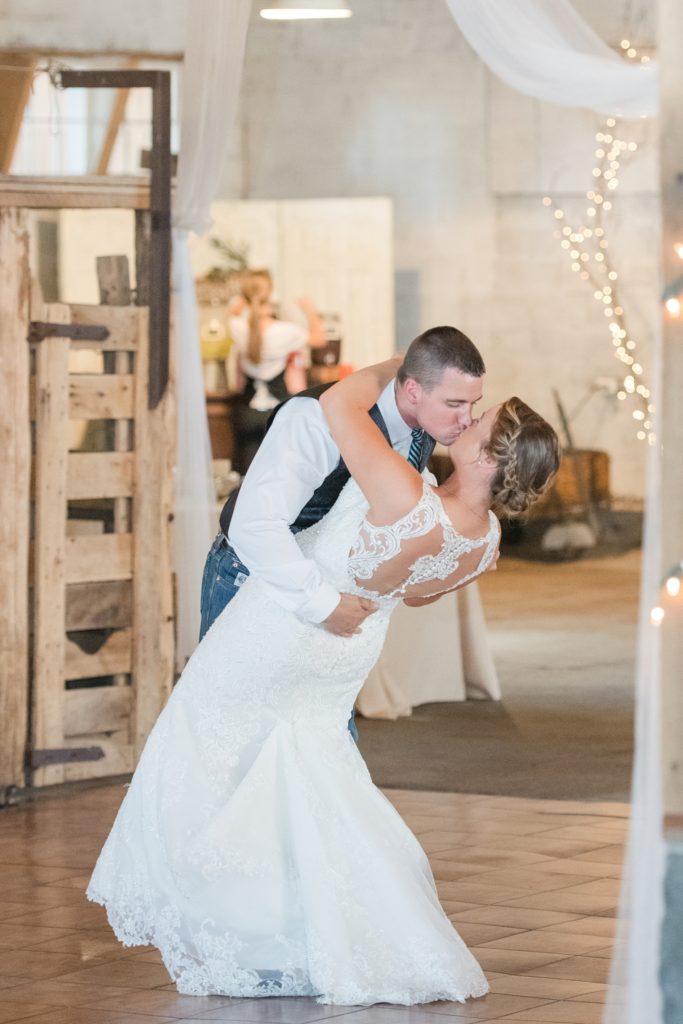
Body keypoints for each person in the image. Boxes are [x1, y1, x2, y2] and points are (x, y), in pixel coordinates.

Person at [86, 351, 559, 1005]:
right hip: (345, 652)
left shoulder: (403, 490)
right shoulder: (485, 540)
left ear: (487, 459)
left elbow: (336, 404)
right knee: (305, 782)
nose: (465, 419)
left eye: (477, 420)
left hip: (284, 629)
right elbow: (415, 594)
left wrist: (407, 362)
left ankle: (237, 924)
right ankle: (305, 932)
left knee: (205, 750)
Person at [229, 269, 326, 474]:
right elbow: (319, 339)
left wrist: (245, 303)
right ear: (271, 296)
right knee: (279, 472)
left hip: (247, 410)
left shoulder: (238, 328)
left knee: (248, 474)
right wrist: (309, 311)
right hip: (278, 410)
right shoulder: (285, 332)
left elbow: (232, 315)